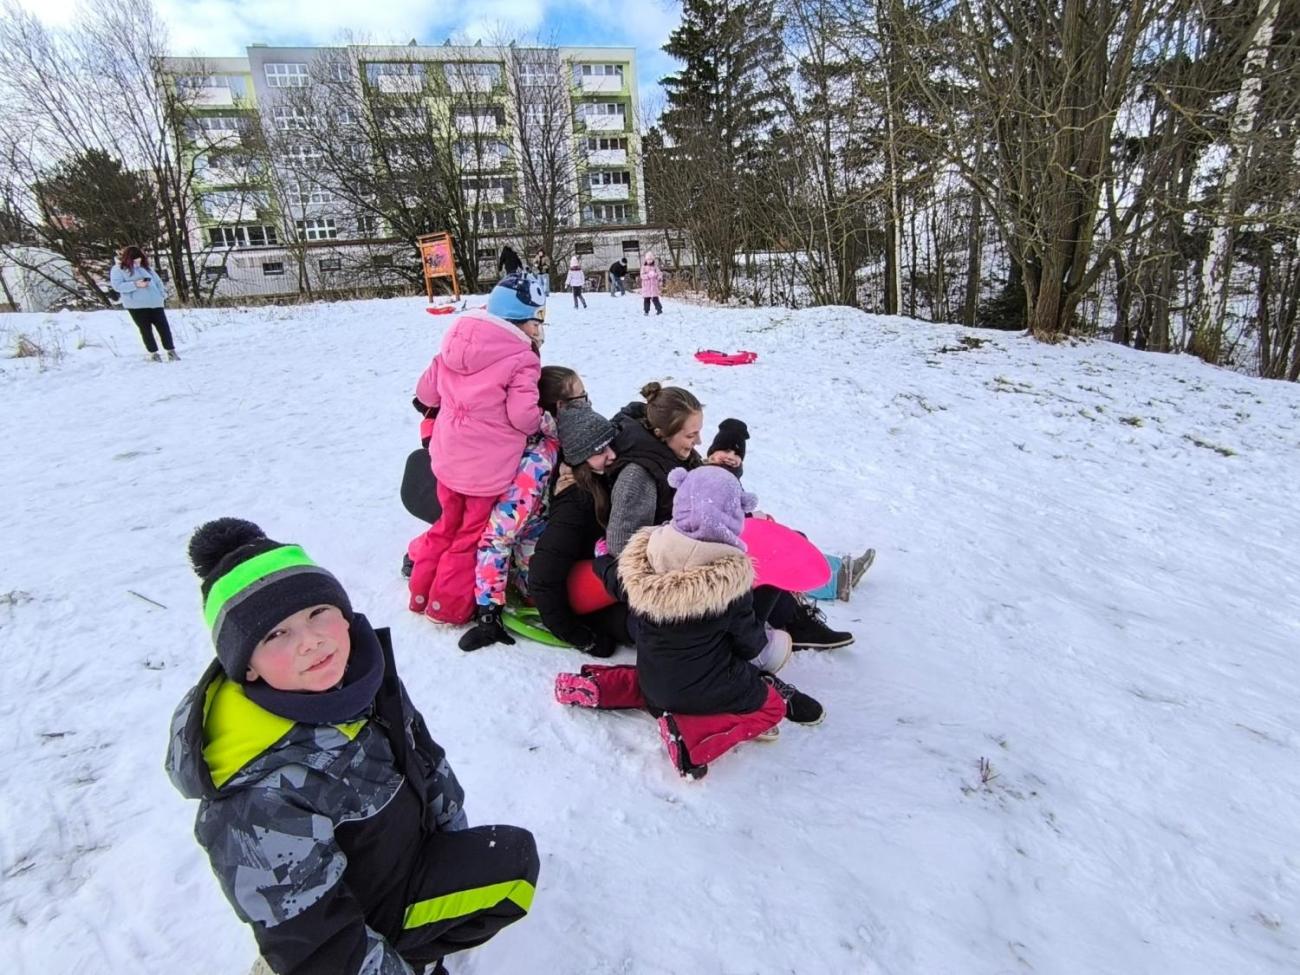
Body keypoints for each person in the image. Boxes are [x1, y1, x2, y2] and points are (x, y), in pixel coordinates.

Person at [166, 518, 539, 975]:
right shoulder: (256, 791)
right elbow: (320, 947)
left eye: (317, 613)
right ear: (247, 668)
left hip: (399, 865)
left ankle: (409, 951)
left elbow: (423, 752)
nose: (311, 642)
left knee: (513, 865)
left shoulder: (360, 676)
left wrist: (449, 831)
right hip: (343, 917)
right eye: (275, 635)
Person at [555, 467, 825, 779]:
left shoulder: (644, 559)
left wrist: (603, 561)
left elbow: (613, 578)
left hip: (652, 679)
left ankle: (599, 687)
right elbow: (750, 644)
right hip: (700, 691)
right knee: (770, 707)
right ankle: (691, 737)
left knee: (652, 683)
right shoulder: (730, 585)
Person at [408, 273, 545, 624]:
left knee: (444, 526)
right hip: (486, 471)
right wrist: (541, 421)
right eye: (536, 320)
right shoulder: (521, 358)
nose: (538, 329)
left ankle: (421, 592)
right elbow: (522, 416)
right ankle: (446, 606)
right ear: (521, 320)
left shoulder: (454, 341)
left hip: (447, 459)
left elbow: (426, 394)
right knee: (470, 536)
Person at [458, 366, 585, 651]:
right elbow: (497, 538)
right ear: (561, 407)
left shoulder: (565, 438)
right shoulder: (537, 461)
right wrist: (488, 612)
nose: (588, 404)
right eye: (582, 398)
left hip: (562, 540)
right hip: (538, 570)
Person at [527, 404, 630, 656]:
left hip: (598, 577)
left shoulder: (599, 477)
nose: (612, 454)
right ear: (579, 457)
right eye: (600, 450)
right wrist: (580, 637)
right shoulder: (576, 502)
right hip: (576, 592)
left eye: (610, 444)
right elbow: (543, 577)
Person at [604, 382, 704, 558]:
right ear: (660, 433)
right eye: (691, 435)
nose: (699, 442)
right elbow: (621, 546)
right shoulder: (638, 476)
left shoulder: (674, 453)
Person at [109, 245, 178, 361]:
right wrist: (135, 284)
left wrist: (162, 295)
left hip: (155, 303)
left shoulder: (146, 268)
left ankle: (171, 350)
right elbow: (117, 286)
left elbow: (157, 281)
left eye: (139, 260)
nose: (137, 263)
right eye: (135, 261)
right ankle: (153, 353)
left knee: (164, 328)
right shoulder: (118, 270)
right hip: (136, 306)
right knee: (145, 330)